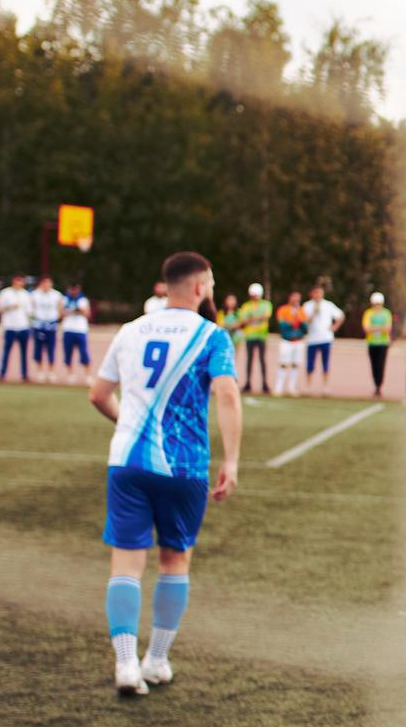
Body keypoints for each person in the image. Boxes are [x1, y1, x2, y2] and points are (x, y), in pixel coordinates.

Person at [91, 251, 241, 698]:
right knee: (174, 559)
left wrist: (127, 426)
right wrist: (231, 460)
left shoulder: (131, 329)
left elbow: (98, 394)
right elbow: (228, 396)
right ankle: (156, 659)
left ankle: (125, 664)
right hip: (183, 465)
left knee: (126, 563)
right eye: (210, 284)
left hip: (128, 462)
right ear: (198, 288)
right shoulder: (212, 336)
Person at [0, 274, 34, 382]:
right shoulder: (6, 293)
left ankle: (24, 375)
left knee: (24, 352)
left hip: (23, 326)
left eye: (21, 281)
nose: (20, 283)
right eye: (18, 280)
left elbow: (30, 311)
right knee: (6, 351)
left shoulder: (26, 294)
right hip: (10, 326)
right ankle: (2, 374)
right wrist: (9, 307)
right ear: (14, 280)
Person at [302, 285, 342, 385]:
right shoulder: (307, 306)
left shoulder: (328, 304)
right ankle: (308, 385)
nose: (318, 295)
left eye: (319, 292)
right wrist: (314, 312)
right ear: (312, 294)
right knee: (310, 364)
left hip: (326, 338)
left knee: (325, 363)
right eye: (316, 292)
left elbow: (340, 316)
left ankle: (325, 385)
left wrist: (334, 327)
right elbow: (305, 321)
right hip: (312, 339)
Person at [238, 284, 272, 393]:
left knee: (262, 360)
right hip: (250, 336)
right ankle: (248, 383)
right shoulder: (246, 305)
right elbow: (243, 320)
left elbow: (266, 316)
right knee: (249, 361)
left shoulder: (266, 304)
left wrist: (251, 318)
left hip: (262, 336)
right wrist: (257, 317)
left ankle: (265, 384)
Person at [273, 292, 307, 397]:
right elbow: (283, 325)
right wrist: (293, 322)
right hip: (286, 341)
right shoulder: (283, 310)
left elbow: (304, 328)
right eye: (294, 298)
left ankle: (291, 387)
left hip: (298, 341)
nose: (296, 300)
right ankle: (278, 388)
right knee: (283, 364)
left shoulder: (301, 311)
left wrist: (298, 320)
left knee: (295, 364)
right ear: (290, 298)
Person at [60, 283, 93, 383]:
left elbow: (88, 314)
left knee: (84, 352)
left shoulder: (83, 300)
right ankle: (71, 374)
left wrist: (80, 310)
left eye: (76, 289)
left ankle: (87, 375)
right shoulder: (65, 299)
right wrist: (70, 311)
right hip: (68, 329)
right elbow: (61, 314)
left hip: (80, 329)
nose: (74, 291)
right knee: (68, 353)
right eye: (72, 289)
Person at [362, 292, 394, 397]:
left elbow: (388, 329)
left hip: (383, 343)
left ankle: (379, 386)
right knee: (374, 365)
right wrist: (380, 328)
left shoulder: (386, 313)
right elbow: (366, 329)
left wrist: (374, 328)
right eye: (375, 303)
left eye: (378, 303)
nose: (377, 305)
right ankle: (376, 384)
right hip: (372, 343)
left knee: (381, 365)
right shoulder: (368, 313)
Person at [30, 275, 63, 374]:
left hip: (51, 325)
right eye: (44, 282)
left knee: (51, 349)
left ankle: (51, 371)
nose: (46, 285)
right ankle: (39, 370)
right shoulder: (34, 294)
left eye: (48, 282)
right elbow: (31, 309)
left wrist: (57, 320)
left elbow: (60, 309)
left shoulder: (56, 295)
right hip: (38, 325)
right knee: (38, 349)